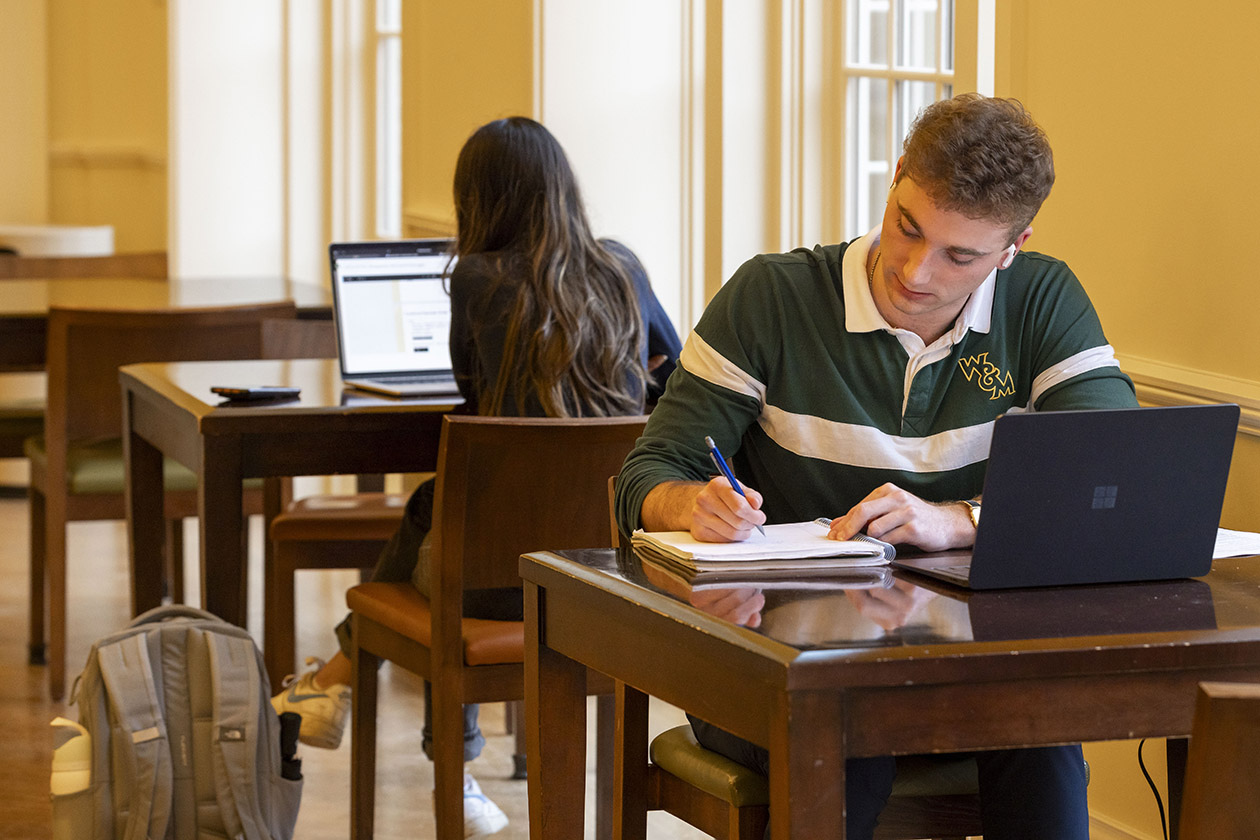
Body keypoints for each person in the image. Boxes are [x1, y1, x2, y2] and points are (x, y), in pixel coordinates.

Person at [614, 93, 1136, 840]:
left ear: (1013, 247)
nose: (916, 273)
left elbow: (1109, 476)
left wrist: (956, 520)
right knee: (847, 727)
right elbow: (647, 475)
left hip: (968, 669)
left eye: (960, 255)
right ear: (894, 181)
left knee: (1041, 721)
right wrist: (689, 504)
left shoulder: (1041, 299)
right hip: (780, 666)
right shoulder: (773, 296)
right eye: (907, 227)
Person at [273, 116, 682, 837]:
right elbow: (670, 368)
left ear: (482, 200)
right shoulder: (623, 267)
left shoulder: (478, 277)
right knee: (438, 509)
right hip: (607, 565)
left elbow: (471, 387)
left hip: (500, 576)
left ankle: (393, 725)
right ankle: (334, 685)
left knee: (445, 520)